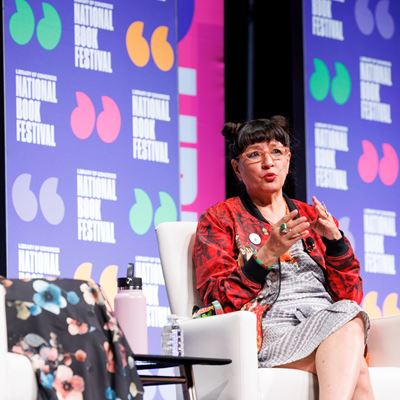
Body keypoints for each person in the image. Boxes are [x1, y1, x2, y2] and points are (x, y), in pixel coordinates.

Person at [193, 116, 374, 399]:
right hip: (270, 331)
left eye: (277, 152)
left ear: (288, 159)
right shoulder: (219, 219)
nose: (268, 162)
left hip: (328, 320)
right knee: (354, 353)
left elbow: (350, 295)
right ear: (237, 169)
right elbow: (215, 301)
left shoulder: (312, 216)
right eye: (254, 155)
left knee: (348, 325)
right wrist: (266, 255)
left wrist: (336, 243)